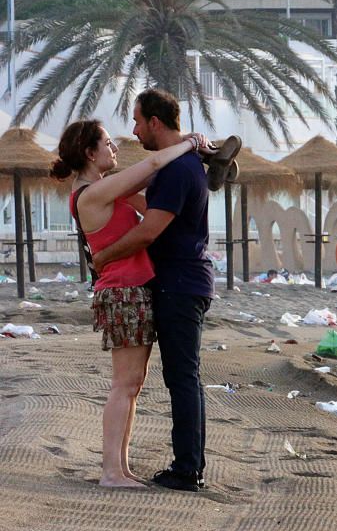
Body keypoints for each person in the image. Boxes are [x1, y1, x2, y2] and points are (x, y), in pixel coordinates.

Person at [51, 119, 210, 488]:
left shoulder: (106, 189)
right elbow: (152, 166)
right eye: (107, 143)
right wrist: (189, 143)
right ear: (90, 152)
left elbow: (154, 192)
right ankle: (110, 472)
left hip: (131, 289)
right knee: (124, 384)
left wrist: (198, 165)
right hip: (121, 291)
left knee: (132, 384)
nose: (115, 148)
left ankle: (120, 470)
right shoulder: (91, 193)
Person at [93, 88, 238, 492]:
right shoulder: (180, 166)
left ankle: (188, 469)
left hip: (180, 283)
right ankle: (188, 464)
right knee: (182, 377)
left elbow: (149, 230)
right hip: (182, 281)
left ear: (155, 122)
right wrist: (108, 189)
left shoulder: (177, 171)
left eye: (138, 122)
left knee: (182, 378)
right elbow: (148, 204)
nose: (135, 131)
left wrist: (104, 256)